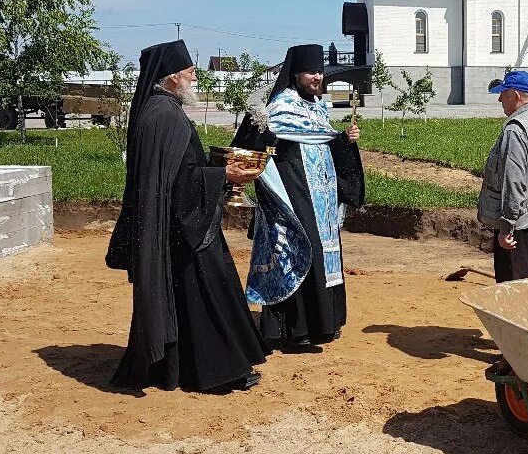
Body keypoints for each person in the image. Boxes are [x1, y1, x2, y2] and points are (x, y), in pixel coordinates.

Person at [106, 40, 269, 392]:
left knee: (190, 296)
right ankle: (218, 372)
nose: (195, 79)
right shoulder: (165, 115)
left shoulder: (158, 110)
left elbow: (177, 173)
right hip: (183, 224)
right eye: (191, 73)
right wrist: (224, 176)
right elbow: (180, 181)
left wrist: (215, 171)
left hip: (177, 221)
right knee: (209, 292)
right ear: (172, 77)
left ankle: (178, 367)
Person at [233, 44, 364, 352]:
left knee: (326, 254)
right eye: (310, 72)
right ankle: (294, 330)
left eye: (319, 71)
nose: (317, 77)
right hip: (293, 192)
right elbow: (261, 145)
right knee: (301, 250)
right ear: (295, 75)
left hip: (322, 196)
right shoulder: (282, 105)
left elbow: (323, 143)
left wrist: (344, 140)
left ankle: (324, 324)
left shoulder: (318, 107)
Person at [478, 70, 528, 282]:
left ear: (515, 96)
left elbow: (513, 182)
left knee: (513, 289)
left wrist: (506, 227)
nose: (499, 99)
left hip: (520, 225)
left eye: (503, 94)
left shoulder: (516, 130)